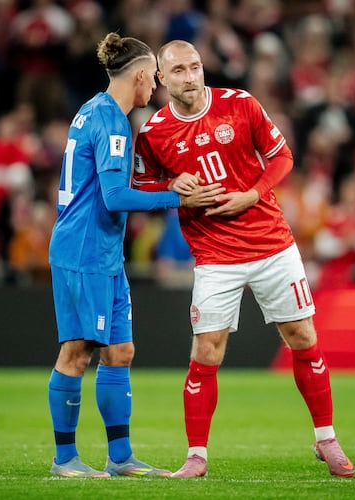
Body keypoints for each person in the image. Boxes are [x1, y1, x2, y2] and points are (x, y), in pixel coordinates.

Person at [133, 40, 355, 479]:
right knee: (206, 351)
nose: (190, 76)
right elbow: (141, 189)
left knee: (303, 337)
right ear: (161, 78)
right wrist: (174, 188)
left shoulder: (240, 104)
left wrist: (252, 195)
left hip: (271, 243)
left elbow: (282, 157)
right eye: (178, 70)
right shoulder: (154, 132)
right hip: (214, 255)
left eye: (195, 67)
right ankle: (196, 456)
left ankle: (326, 439)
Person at [47, 33, 224, 478]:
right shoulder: (111, 120)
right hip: (84, 250)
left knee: (120, 350)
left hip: (103, 252)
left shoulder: (93, 110)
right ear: (143, 76)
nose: (157, 91)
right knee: (76, 352)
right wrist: (176, 198)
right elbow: (112, 196)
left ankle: (120, 457)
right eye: (155, 82)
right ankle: (65, 458)